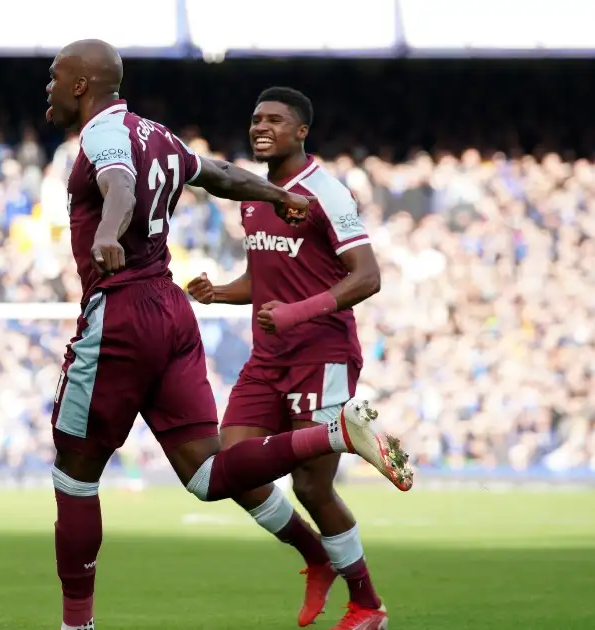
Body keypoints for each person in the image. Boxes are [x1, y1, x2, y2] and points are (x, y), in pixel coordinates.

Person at [45, 41, 413, 630]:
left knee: (73, 473)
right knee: (213, 474)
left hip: (133, 312)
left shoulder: (103, 135)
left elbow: (116, 184)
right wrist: (272, 197)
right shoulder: (161, 136)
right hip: (177, 314)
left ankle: (76, 626)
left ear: (83, 84)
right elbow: (217, 175)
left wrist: (110, 233)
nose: (49, 87)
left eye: (55, 76)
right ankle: (318, 541)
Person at [188, 87, 393, 630]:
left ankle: (368, 605)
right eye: (256, 119)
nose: (262, 127)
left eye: (275, 120)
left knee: (310, 486)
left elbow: (367, 277)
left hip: (321, 354)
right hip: (269, 356)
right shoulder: (254, 194)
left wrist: (298, 313)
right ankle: (316, 556)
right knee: (227, 470)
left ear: (301, 131)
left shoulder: (327, 192)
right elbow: (265, 278)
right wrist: (221, 292)